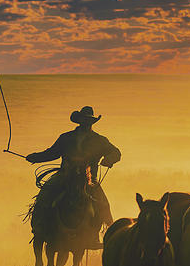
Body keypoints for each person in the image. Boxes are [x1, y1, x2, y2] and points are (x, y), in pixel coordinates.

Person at [26, 106, 121, 249]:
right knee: (45, 194)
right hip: (65, 175)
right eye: (84, 120)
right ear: (79, 121)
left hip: (89, 180)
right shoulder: (66, 138)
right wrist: (35, 157)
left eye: (89, 120)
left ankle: (102, 234)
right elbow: (52, 153)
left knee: (103, 204)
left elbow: (116, 152)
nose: (86, 122)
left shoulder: (99, 140)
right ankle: (40, 226)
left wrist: (109, 159)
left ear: (92, 122)